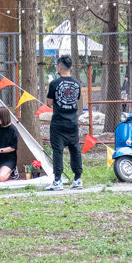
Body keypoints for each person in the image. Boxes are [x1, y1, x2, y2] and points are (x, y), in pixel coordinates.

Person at [45, 55, 83, 190]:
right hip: (73, 122)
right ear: (71, 67)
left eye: (57, 66)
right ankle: (78, 179)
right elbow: (75, 99)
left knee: (58, 151)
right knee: (75, 150)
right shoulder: (77, 83)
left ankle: (57, 180)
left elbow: (49, 103)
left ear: (59, 67)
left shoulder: (54, 83)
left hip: (58, 123)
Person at [0, 107, 19, 182]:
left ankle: (13, 170)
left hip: (10, 157)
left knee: (0, 178)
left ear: (4, 118)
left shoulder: (13, 130)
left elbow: (13, 148)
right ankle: (1, 169)